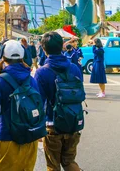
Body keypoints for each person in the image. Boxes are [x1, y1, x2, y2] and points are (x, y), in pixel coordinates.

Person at [0, 40, 46, 170]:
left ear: (3, 57)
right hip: (30, 139)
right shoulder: (31, 79)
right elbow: (40, 106)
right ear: (22, 57)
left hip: (8, 137)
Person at [35, 32, 85, 171]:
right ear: (61, 46)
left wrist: (37, 129)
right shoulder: (74, 68)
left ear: (44, 49)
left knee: (53, 165)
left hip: (53, 124)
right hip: (74, 121)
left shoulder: (42, 72)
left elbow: (39, 102)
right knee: (69, 162)